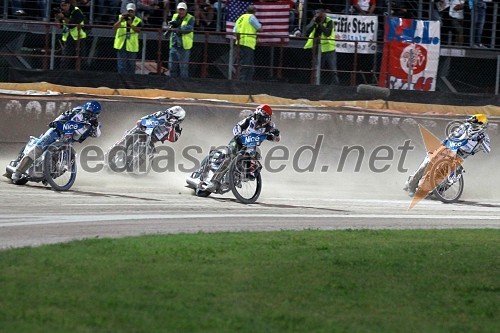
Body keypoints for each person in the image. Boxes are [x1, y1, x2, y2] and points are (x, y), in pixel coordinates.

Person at [9, 101, 102, 183]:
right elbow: (64, 115)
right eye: (87, 112)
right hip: (56, 132)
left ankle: (50, 175)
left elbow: (97, 134)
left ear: (97, 115)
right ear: (84, 109)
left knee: (68, 163)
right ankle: (17, 172)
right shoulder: (76, 111)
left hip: (68, 142)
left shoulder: (95, 125)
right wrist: (55, 121)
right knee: (37, 150)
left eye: (91, 114)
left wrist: (95, 125)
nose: (88, 115)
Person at [404, 114, 491, 196]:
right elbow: (454, 134)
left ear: (482, 126)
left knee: (454, 174)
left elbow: (488, 150)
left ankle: (439, 191)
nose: (472, 125)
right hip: (451, 147)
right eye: (472, 123)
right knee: (429, 160)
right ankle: (411, 183)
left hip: (461, 155)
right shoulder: (465, 126)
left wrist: (481, 141)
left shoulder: (484, 137)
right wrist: (446, 141)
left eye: (475, 124)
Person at [200, 104, 281, 191]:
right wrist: (238, 134)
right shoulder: (250, 120)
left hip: (251, 146)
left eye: (259, 117)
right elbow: (237, 126)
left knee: (256, 162)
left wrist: (276, 134)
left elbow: (277, 139)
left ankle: (239, 177)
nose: (256, 119)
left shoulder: (270, 127)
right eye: (256, 116)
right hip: (238, 142)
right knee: (229, 158)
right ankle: (214, 181)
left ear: (266, 118)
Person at [304, 8, 339, 84]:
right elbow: (307, 31)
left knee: (333, 70)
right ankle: (314, 85)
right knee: (316, 69)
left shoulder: (329, 21)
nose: (320, 17)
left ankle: (336, 86)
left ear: (324, 15)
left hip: (329, 49)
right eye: (318, 15)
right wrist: (313, 22)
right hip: (317, 48)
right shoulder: (314, 21)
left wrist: (320, 24)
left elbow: (327, 33)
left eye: (321, 15)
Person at [55, 0, 88, 70]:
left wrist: (63, 17)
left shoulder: (76, 11)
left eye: (65, 5)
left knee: (80, 59)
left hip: (79, 38)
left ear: (69, 5)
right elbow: (59, 26)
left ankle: (81, 76)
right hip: (68, 38)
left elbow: (72, 25)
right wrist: (57, 18)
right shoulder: (62, 13)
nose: (63, 7)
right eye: (62, 5)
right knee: (65, 60)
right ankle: (64, 75)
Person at [234, 5, 262, 81]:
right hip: (248, 43)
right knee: (246, 64)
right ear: (254, 11)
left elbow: (234, 31)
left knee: (245, 63)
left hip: (240, 43)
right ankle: (243, 82)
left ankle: (246, 80)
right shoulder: (251, 17)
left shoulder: (240, 18)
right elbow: (259, 28)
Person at [113, 3, 143, 74]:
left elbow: (138, 30)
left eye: (131, 11)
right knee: (121, 65)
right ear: (126, 11)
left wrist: (130, 24)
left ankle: (131, 80)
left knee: (131, 65)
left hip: (132, 46)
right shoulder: (120, 17)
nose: (130, 13)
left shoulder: (138, 20)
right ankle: (121, 80)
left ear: (134, 11)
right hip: (121, 44)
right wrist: (120, 20)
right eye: (129, 11)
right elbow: (114, 27)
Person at [167, 2, 195, 78]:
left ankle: (183, 85)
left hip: (184, 46)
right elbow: (171, 26)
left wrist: (177, 29)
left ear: (186, 10)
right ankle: (172, 83)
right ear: (177, 10)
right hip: (174, 44)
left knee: (183, 67)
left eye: (182, 10)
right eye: (179, 10)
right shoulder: (175, 16)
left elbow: (188, 29)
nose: (181, 11)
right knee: (172, 66)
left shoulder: (190, 18)